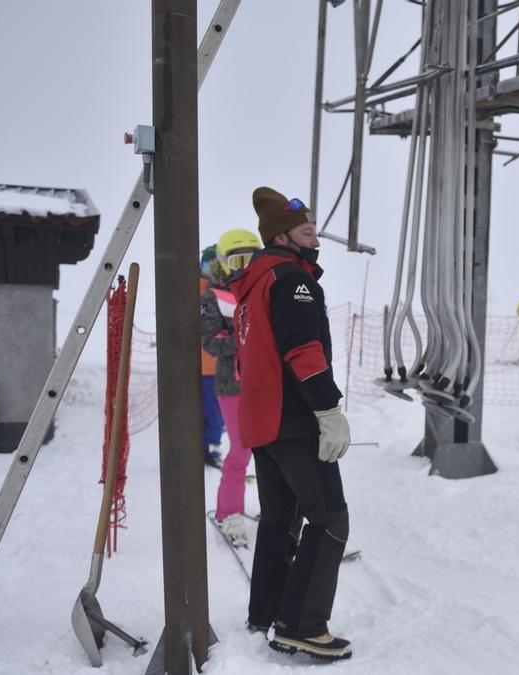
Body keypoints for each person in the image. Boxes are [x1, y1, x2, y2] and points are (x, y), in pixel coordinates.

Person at [230, 186, 353, 661]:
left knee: (280, 519)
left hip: (263, 422)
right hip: (294, 420)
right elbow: (303, 352)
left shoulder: (256, 282)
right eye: (307, 229)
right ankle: (302, 626)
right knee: (330, 517)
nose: (315, 236)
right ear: (281, 235)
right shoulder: (292, 281)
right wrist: (328, 410)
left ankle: (267, 612)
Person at [200, 228, 263, 548]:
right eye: (237, 260)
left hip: (266, 383)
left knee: (270, 449)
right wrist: (241, 342)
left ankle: (276, 508)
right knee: (240, 449)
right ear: (223, 263)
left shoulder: (265, 290)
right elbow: (209, 341)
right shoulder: (214, 296)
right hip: (233, 384)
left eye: (251, 258)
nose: (244, 267)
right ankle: (229, 512)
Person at [199, 245, 225, 469]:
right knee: (198, 408)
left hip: (215, 364)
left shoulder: (222, 288)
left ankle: (212, 446)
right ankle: (200, 446)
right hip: (194, 364)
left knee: (215, 410)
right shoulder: (193, 287)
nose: (209, 270)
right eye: (206, 265)